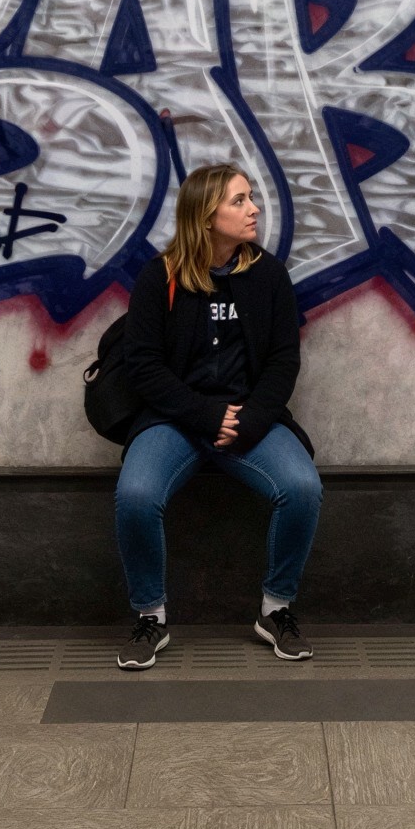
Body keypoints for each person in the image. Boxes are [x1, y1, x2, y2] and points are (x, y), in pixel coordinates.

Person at [113, 163, 319, 670]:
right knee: (136, 494)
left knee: (302, 488)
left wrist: (251, 420)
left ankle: (277, 609)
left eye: (251, 199)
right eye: (239, 201)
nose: (253, 210)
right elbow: (143, 364)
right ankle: (151, 617)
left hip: (250, 421)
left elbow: (282, 360)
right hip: (173, 420)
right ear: (205, 217)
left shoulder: (268, 275)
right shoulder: (159, 278)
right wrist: (204, 414)